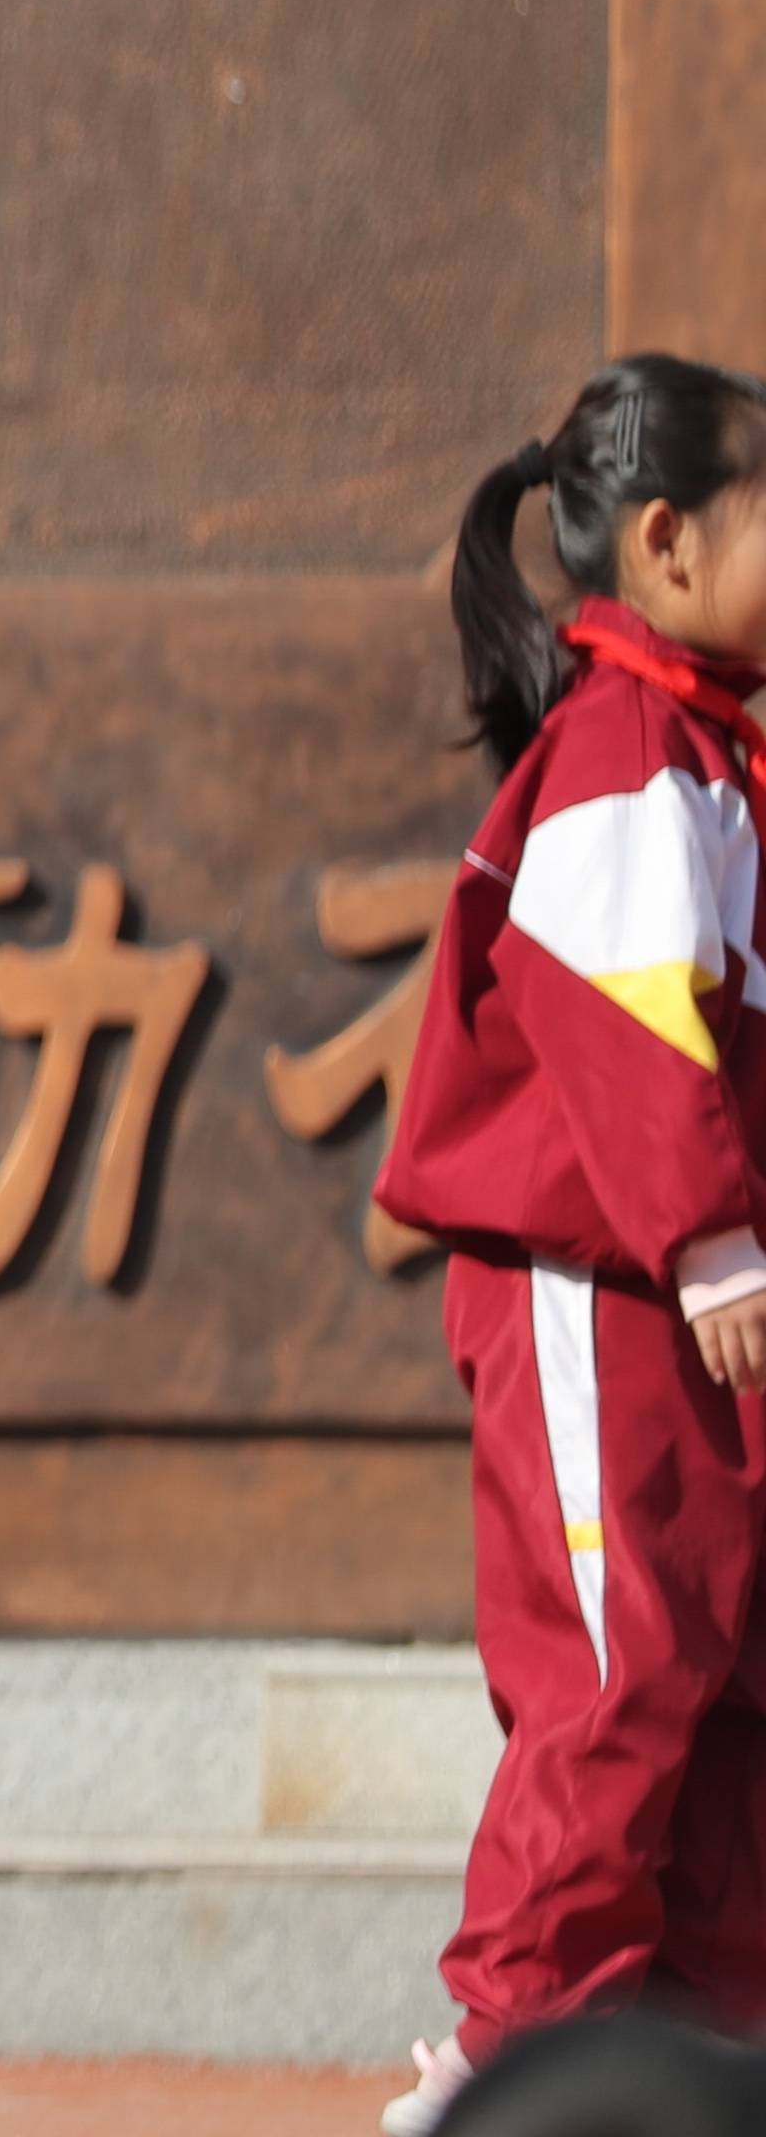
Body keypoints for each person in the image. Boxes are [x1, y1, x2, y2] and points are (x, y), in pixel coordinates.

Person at [381, 358, 766, 2137]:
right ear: (672, 544)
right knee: (619, 1677)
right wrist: (711, 1241)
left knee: (707, 1672)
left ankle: (676, 2071)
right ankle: (509, 2071)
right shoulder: (626, 751)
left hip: (680, 1307)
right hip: (609, 1296)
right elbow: (624, 1026)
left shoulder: (711, 753)